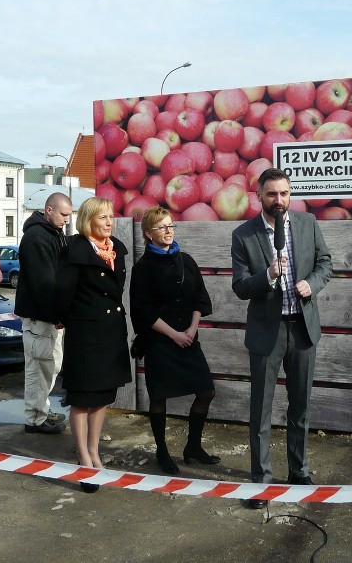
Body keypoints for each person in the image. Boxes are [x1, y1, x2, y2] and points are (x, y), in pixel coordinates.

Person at [231, 168, 333, 509]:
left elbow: (325, 263)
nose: (280, 201)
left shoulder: (307, 224)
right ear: (259, 195)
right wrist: (268, 275)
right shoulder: (243, 235)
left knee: (300, 406)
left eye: (285, 194)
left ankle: (298, 470)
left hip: (303, 329)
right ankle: (261, 481)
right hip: (266, 334)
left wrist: (312, 284)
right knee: (261, 409)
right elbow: (241, 286)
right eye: (272, 194)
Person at [130, 206, 220, 475]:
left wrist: (191, 329)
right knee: (159, 397)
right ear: (148, 233)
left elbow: (199, 299)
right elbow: (143, 312)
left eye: (171, 226)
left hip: (188, 338)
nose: (168, 231)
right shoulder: (143, 268)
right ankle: (162, 451)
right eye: (162, 227)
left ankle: (193, 446)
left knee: (206, 391)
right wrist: (174, 335)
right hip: (160, 341)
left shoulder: (186, 260)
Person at [53, 196, 131, 493]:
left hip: (110, 332)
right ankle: (83, 459)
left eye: (111, 217)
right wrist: (63, 318)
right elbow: (62, 291)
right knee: (82, 398)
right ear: (88, 220)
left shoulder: (116, 251)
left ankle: (95, 451)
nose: (109, 222)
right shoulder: (75, 249)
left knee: (101, 396)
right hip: (86, 334)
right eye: (103, 218)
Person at [14, 192, 72, 435]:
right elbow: (44, 284)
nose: (67, 220)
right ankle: (35, 419)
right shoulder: (37, 238)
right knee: (39, 368)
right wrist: (57, 314)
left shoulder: (52, 234)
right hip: (41, 318)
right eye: (63, 214)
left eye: (69, 216)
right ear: (49, 210)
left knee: (49, 366)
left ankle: (41, 411)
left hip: (48, 317)